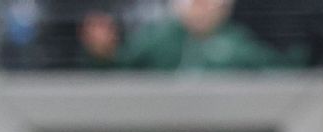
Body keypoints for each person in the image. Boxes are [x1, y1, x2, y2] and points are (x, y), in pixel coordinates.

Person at [79, 0, 306, 71]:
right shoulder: (158, 39)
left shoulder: (238, 42)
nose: (202, 8)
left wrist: (301, 56)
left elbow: (274, 71)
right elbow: (122, 69)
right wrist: (102, 55)